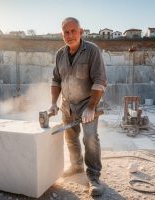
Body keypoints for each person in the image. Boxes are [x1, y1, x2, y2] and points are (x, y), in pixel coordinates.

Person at [48, 17, 107, 196]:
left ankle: (94, 177)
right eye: (66, 32)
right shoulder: (60, 55)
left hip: (87, 103)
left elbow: (100, 80)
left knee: (90, 138)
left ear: (81, 32)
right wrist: (53, 104)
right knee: (71, 139)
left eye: (74, 31)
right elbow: (56, 80)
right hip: (67, 106)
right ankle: (76, 166)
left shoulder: (92, 51)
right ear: (62, 35)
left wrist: (91, 107)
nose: (70, 35)